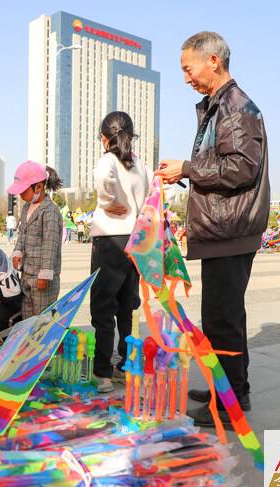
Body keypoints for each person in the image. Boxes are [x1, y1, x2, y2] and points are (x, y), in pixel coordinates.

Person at [156, 31, 270, 425]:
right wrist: (185, 174)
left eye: (188, 69)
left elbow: (241, 168)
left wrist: (187, 168)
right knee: (224, 316)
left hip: (231, 228)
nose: (186, 78)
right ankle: (230, 388)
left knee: (221, 318)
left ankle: (230, 404)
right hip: (224, 227)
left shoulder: (236, 108)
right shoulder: (218, 107)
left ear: (213, 62)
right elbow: (222, 166)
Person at [91, 111, 175, 393]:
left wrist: (107, 200)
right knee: (128, 306)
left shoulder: (108, 159)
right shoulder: (140, 164)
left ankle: (102, 373)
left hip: (110, 240)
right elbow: (165, 191)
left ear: (105, 138)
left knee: (103, 307)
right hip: (137, 240)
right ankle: (125, 366)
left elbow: (103, 177)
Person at [8, 161, 63, 320]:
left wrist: (45, 274)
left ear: (38, 187)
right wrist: (17, 251)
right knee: (27, 318)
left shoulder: (50, 211)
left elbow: (50, 244)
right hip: (27, 274)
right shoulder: (26, 207)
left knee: (42, 320)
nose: (20, 195)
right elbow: (22, 234)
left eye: (23, 191)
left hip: (41, 278)